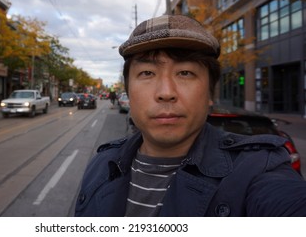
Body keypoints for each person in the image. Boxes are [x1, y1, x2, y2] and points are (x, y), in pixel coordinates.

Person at [75, 14, 306, 217]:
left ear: (209, 93)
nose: (166, 92)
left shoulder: (259, 169)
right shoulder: (101, 164)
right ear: (128, 93)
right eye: (147, 72)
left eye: (185, 72)